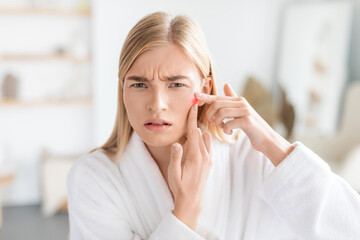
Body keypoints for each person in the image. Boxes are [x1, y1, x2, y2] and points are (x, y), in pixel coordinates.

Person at [67, 12, 360, 240]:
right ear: (123, 89)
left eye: (176, 84)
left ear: (205, 87)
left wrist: (271, 142)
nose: (157, 104)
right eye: (140, 84)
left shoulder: (251, 158)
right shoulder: (95, 178)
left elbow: (350, 227)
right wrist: (185, 211)